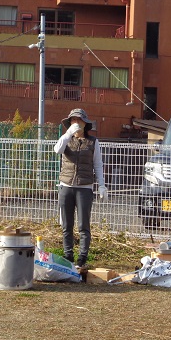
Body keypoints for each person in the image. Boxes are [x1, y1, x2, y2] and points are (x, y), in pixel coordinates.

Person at [54, 108, 108, 269]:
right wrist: (68, 134)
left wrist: (101, 185)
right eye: (73, 120)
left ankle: (82, 258)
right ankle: (68, 256)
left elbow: (98, 164)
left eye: (79, 120)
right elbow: (57, 150)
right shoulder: (66, 139)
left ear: (85, 123)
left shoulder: (93, 142)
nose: (76, 122)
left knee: (83, 225)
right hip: (66, 186)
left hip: (85, 187)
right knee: (66, 225)